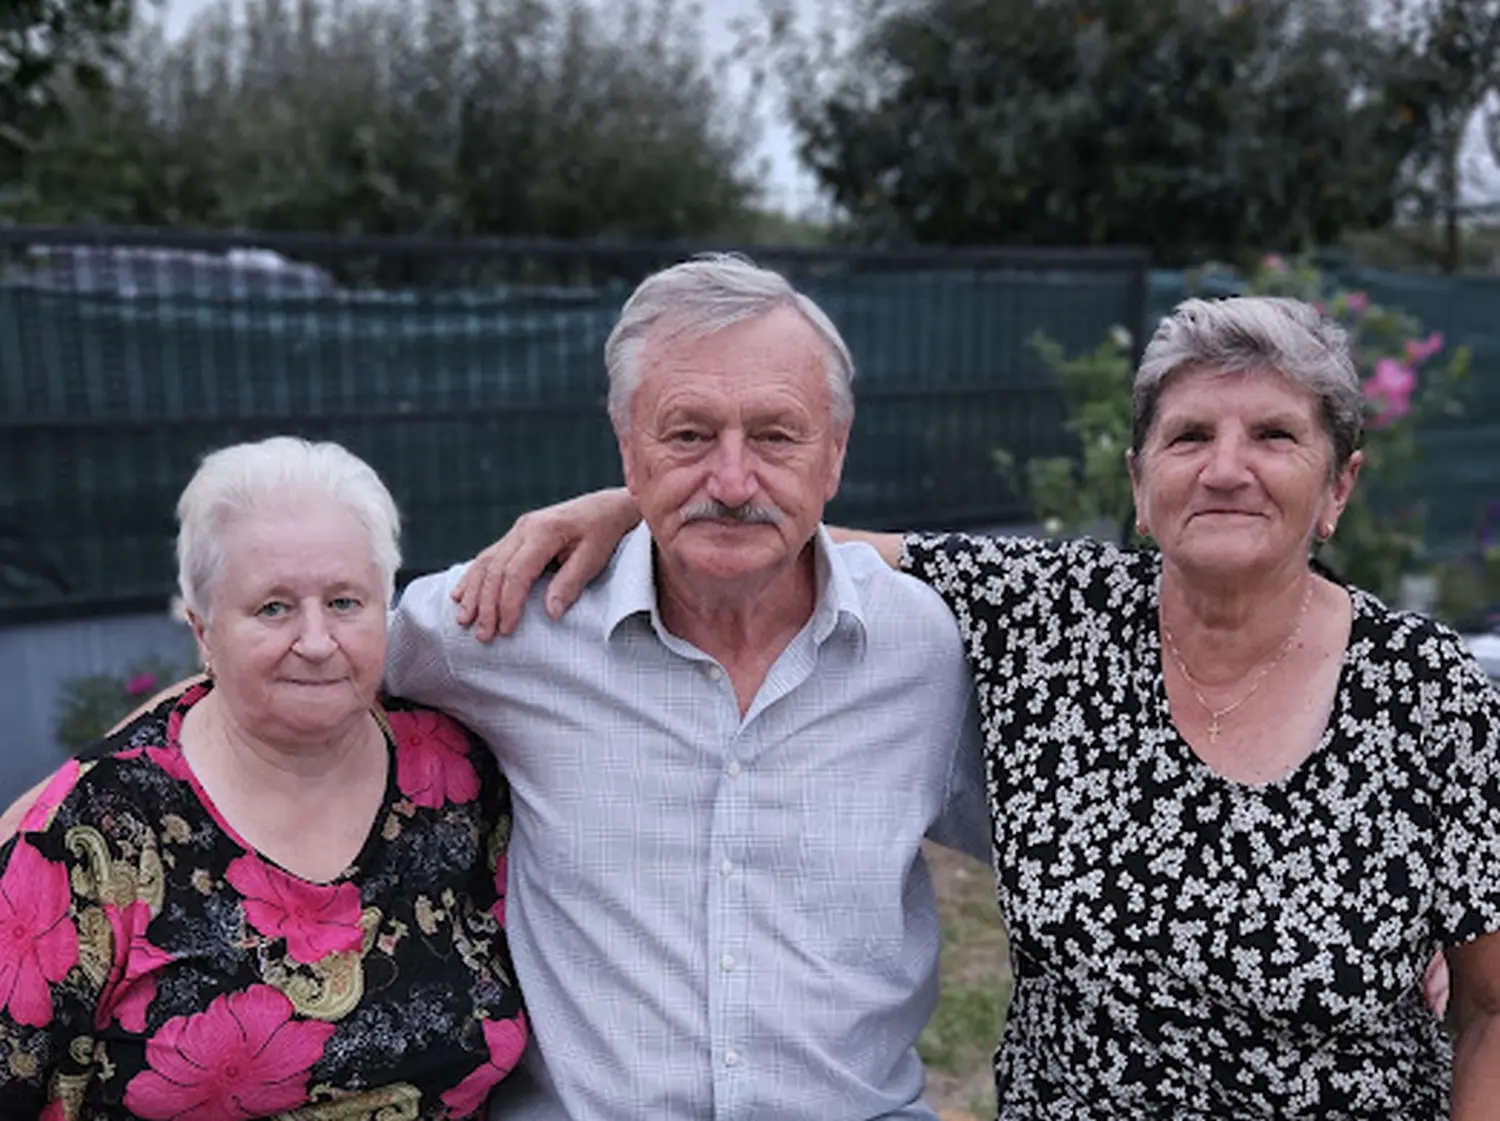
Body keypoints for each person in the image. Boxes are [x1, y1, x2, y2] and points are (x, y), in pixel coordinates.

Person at [456, 296, 1500, 1117]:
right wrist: (639, 501)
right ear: (1140, 482)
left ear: (1338, 486)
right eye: (1189, 437)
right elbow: (804, 532)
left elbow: (1492, 1010)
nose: (1226, 469)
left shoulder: (1429, 691)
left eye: (1274, 435)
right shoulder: (1047, 619)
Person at [385, 254, 990, 1119]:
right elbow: (290, 672)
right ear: (627, 447)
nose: (734, 482)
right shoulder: (511, 618)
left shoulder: (926, 646)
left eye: (777, 436)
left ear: (835, 455)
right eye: (688, 435)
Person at [0, 437, 526, 1119]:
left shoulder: (459, 779)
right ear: (203, 630)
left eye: (345, 602)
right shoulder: (100, 828)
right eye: (273, 607)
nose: (315, 640)